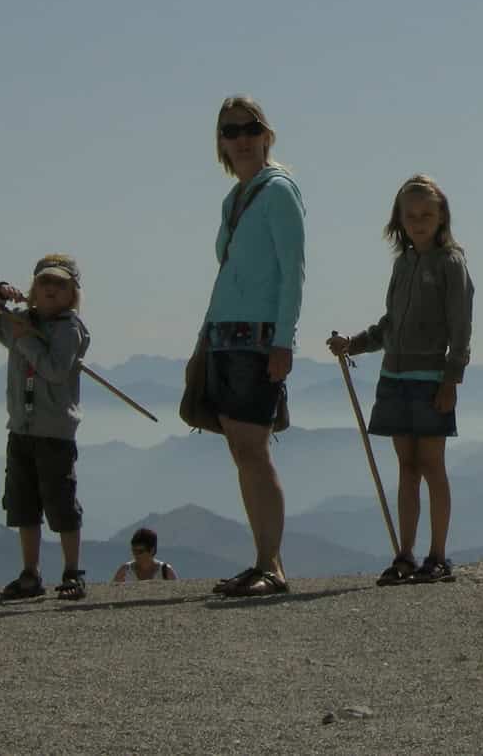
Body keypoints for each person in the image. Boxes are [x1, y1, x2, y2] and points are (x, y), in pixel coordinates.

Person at [328, 175, 473, 586]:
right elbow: (392, 323)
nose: (419, 221)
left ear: (442, 216)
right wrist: (353, 345)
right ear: (400, 220)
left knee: (431, 466)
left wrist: (452, 379)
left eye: (427, 214)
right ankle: (406, 554)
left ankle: (438, 556)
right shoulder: (403, 263)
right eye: (411, 215)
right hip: (394, 375)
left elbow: (461, 327)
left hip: (430, 379)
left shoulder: (451, 263)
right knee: (407, 468)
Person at [201, 95, 305, 598]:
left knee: (254, 451)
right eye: (231, 130)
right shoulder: (236, 198)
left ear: (267, 135)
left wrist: (284, 342)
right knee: (243, 451)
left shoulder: (279, 191)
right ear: (221, 142)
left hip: (257, 340)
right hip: (225, 336)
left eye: (249, 128)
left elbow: (293, 272)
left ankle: (271, 566)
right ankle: (265, 560)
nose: (241, 138)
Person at [0, 254, 92, 601]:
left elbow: (55, 370)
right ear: (33, 288)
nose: (51, 289)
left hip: (54, 432)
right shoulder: (22, 319)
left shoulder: (70, 329)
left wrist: (24, 338)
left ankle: (72, 572)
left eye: (60, 284)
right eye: (45, 282)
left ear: (73, 294)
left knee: (61, 504)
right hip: (21, 428)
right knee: (23, 504)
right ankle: (31, 573)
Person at [111, 527, 178, 582]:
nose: (136, 555)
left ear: (152, 550)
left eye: (140, 551)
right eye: (134, 551)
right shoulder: (125, 572)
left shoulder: (166, 572)